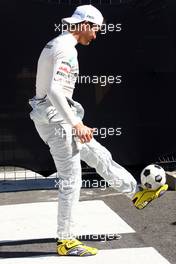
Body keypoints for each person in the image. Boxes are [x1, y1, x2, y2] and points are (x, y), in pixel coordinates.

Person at [29, 4, 168, 257]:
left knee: (99, 154)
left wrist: (72, 122)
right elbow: (56, 91)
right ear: (84, 25)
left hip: (55, 118)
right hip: (57, 122)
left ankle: (135, 193)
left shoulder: (56, 44)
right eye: (95, 29)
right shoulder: (66, 50)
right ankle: (66, 240)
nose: (96, 35)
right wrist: (76, 124)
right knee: (72, 180)